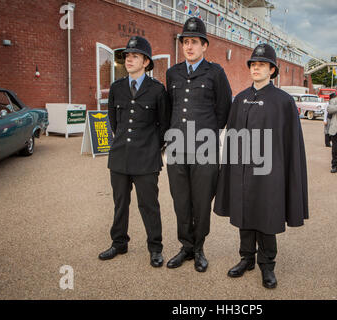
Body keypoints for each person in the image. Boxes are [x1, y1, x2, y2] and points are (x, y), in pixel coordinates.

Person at [213, 44, 308, 289]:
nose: (256, 68)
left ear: (272, 70)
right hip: (242, 170)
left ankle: (267, 265)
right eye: (253, 64)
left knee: (266, 215)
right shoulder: (241, 98)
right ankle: (246, 258)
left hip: (270, 173)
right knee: (244, 213)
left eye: (262, 64)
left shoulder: (283, 101)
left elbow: (291, 142)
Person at [165, 17, 232, 272]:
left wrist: (207, 133)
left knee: (202, 201)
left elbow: (224, 109)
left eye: (194, 42)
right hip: (176, 146)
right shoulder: (173, 73)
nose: (189, 46)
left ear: (205, 45)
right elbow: (169, 108)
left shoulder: (215, 72)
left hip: (204, 148)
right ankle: (185, 246)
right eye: (185, 42)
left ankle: (199, 247)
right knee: (180, 199)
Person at [98, 36, 171, 268]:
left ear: (146, 62)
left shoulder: (158, 90)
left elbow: (164, 125)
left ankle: (155, 248)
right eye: (127, 56)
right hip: (120, 155)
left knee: (148, 204)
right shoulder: (117, 88)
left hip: (146, 158)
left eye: (135, 56)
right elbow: (114, 121)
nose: (129, 59)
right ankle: (119, 242)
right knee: (120, 202)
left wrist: (151, 147)